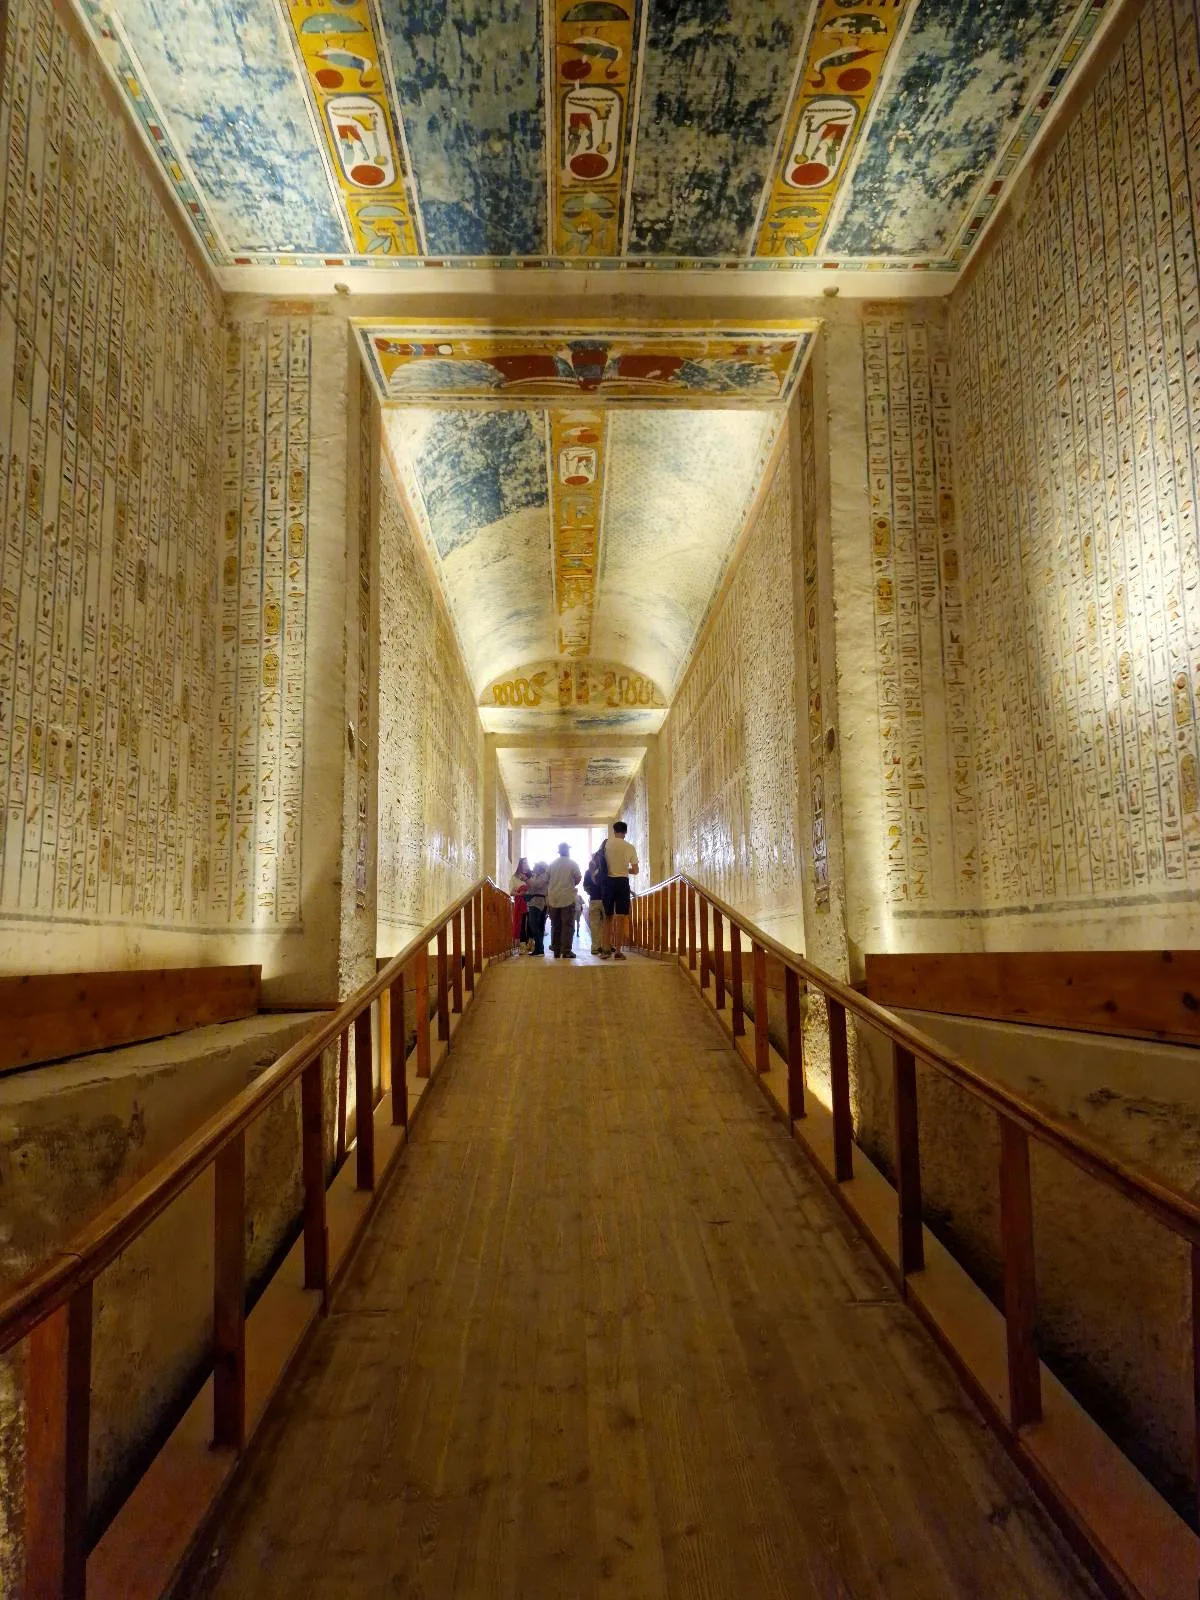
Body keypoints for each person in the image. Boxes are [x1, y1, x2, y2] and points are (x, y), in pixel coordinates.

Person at [601, 820, 638, 960]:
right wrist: (624, 869)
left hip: (608, 882)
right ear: (626, 832)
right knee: (621, 917)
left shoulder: (606, 845)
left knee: (608, 918)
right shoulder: (630, 847)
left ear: (614, 831)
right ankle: (618, 951)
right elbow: (635, 870)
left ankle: (605, 950)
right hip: (622, 882)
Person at [546, 841, 582, 960]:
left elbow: (547, 879)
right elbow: (578, 878)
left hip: (553, 899)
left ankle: (556, 950)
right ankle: (566, 951)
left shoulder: (552, 864)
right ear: (568, 851)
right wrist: (570, 884)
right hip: (567, 898)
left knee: (555, 925)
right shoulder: (573, 864)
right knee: (567, 925)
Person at [583, 848, 609, 957]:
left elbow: (585, 887)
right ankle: (606, 946)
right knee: (606, 924)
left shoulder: (588, 872)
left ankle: (596, 947)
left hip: (594, 899)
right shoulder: (606, 871)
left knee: (595, 925)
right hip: (605, 899)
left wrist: (592, 892)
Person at [526, 861, 549, 956]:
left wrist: (527, 879)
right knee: (534, 926)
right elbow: (531, 888)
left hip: (538, 903)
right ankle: (539, 949)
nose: (534, 867)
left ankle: (539, 950)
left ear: (541, 868)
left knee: (536, 926)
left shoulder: (544, 877)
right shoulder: (535, 876)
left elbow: (535, 885)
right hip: (533, 902)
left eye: (536, 866)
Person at [509, 858, 531, 951]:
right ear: (520, 865)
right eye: (524, 863)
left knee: (530, 924)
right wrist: (519, 894)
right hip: (520, 902)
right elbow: (511, 892)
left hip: (530, 902)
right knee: (521, 923)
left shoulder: (530, 876)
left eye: (527, 863)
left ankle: (530, 944)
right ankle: (521, 945)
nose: (526, 865)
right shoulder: (514, 877)